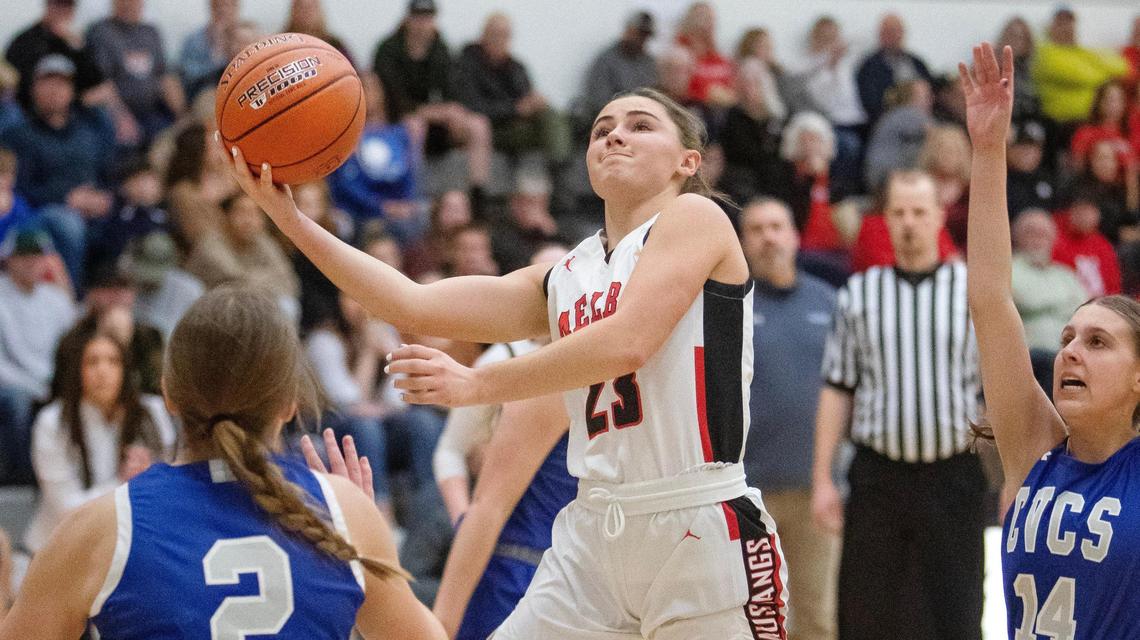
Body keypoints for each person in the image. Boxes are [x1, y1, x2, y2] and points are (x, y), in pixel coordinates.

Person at [220, 84, 786, 638]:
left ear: (687, 161)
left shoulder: (695, 216)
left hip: (695, 523)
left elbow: (627, 342)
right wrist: (290, 220)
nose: (615, 136)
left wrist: (477, 384)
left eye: (640, 126)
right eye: (601, 130)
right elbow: (409, 302)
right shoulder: (566, 275)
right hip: (593, 534)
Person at [0, 286, 446, 638]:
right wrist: (358, 538)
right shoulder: (345, 513)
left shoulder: (98, 529)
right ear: (289, 403)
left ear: (169, 395)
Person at [961, 41, 1140, 639]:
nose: (1070, 351)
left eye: (1098, 342)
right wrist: (989, 151)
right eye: (1068, 337)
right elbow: (990, 302)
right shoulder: (1034, 448)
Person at [812, 170, 985, 640]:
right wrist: (822, 478)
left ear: (939, 217)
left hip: (953, 474)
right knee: (865, 612)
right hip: (878, 476)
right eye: (900, 212)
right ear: (885, 219)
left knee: (958, 611)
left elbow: (997, 389)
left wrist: (1013, 474)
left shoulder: (972, 292)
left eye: (919, 212)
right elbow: (837, 388)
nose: (909, 222)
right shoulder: (859, 293)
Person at [739, 199, 838, 640]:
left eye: (777, 226)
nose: (769, 237)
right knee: (752, 617)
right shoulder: (731, 305)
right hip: (747, 493)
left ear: (795, 236)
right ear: (742, 243)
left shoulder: (829, 302)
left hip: (816, 489)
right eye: (757, 229)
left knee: (817, 616)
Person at [23, 324, 175, 553]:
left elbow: (170, 482)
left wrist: (152, 474)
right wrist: (124, 482)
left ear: (127, 369)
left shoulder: (152, 412)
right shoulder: (52, 421)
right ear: (77, 370)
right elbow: (66, 509)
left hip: (135, 543)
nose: (102, 371)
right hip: (61, 548)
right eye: (92, 362)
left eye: (113, 361)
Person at [0, 227, 77, 484]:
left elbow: (73, 348)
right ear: (10, 260)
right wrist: (34, 386)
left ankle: (74, 472)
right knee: (18, 402)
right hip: (13, 383)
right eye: (25, 257)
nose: (32, 263)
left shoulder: (56, 299)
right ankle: (24, 477)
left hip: (52, 380)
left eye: (38, 256)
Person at [1009, 209, 1089, 352]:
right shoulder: (1009, 270)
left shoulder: (1065, 275)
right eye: (1031, 233)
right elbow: (1026, 301)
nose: (1038, 239)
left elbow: (1083, 309)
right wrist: (1061, 305)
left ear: (1053, 239)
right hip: (1026, 352)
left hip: (1065, 350)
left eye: (1043, 234)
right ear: (1017, 237)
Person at [574, 11, 657, 131]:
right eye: (639, 34)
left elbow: (654, 93)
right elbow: (598, 99)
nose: (641, 40)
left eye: (645, 36)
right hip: (613, 121)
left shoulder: (648, 62)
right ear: (628, 31)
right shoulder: (606, 60)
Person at [856, 14, 933, 128]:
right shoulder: (869, 67)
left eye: (897, 31)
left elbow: (931, 89)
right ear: (880, 35)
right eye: (889, 32)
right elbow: (871, 103)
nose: (894, 36)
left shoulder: (917, 63)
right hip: (887, 122)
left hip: (923, 118)